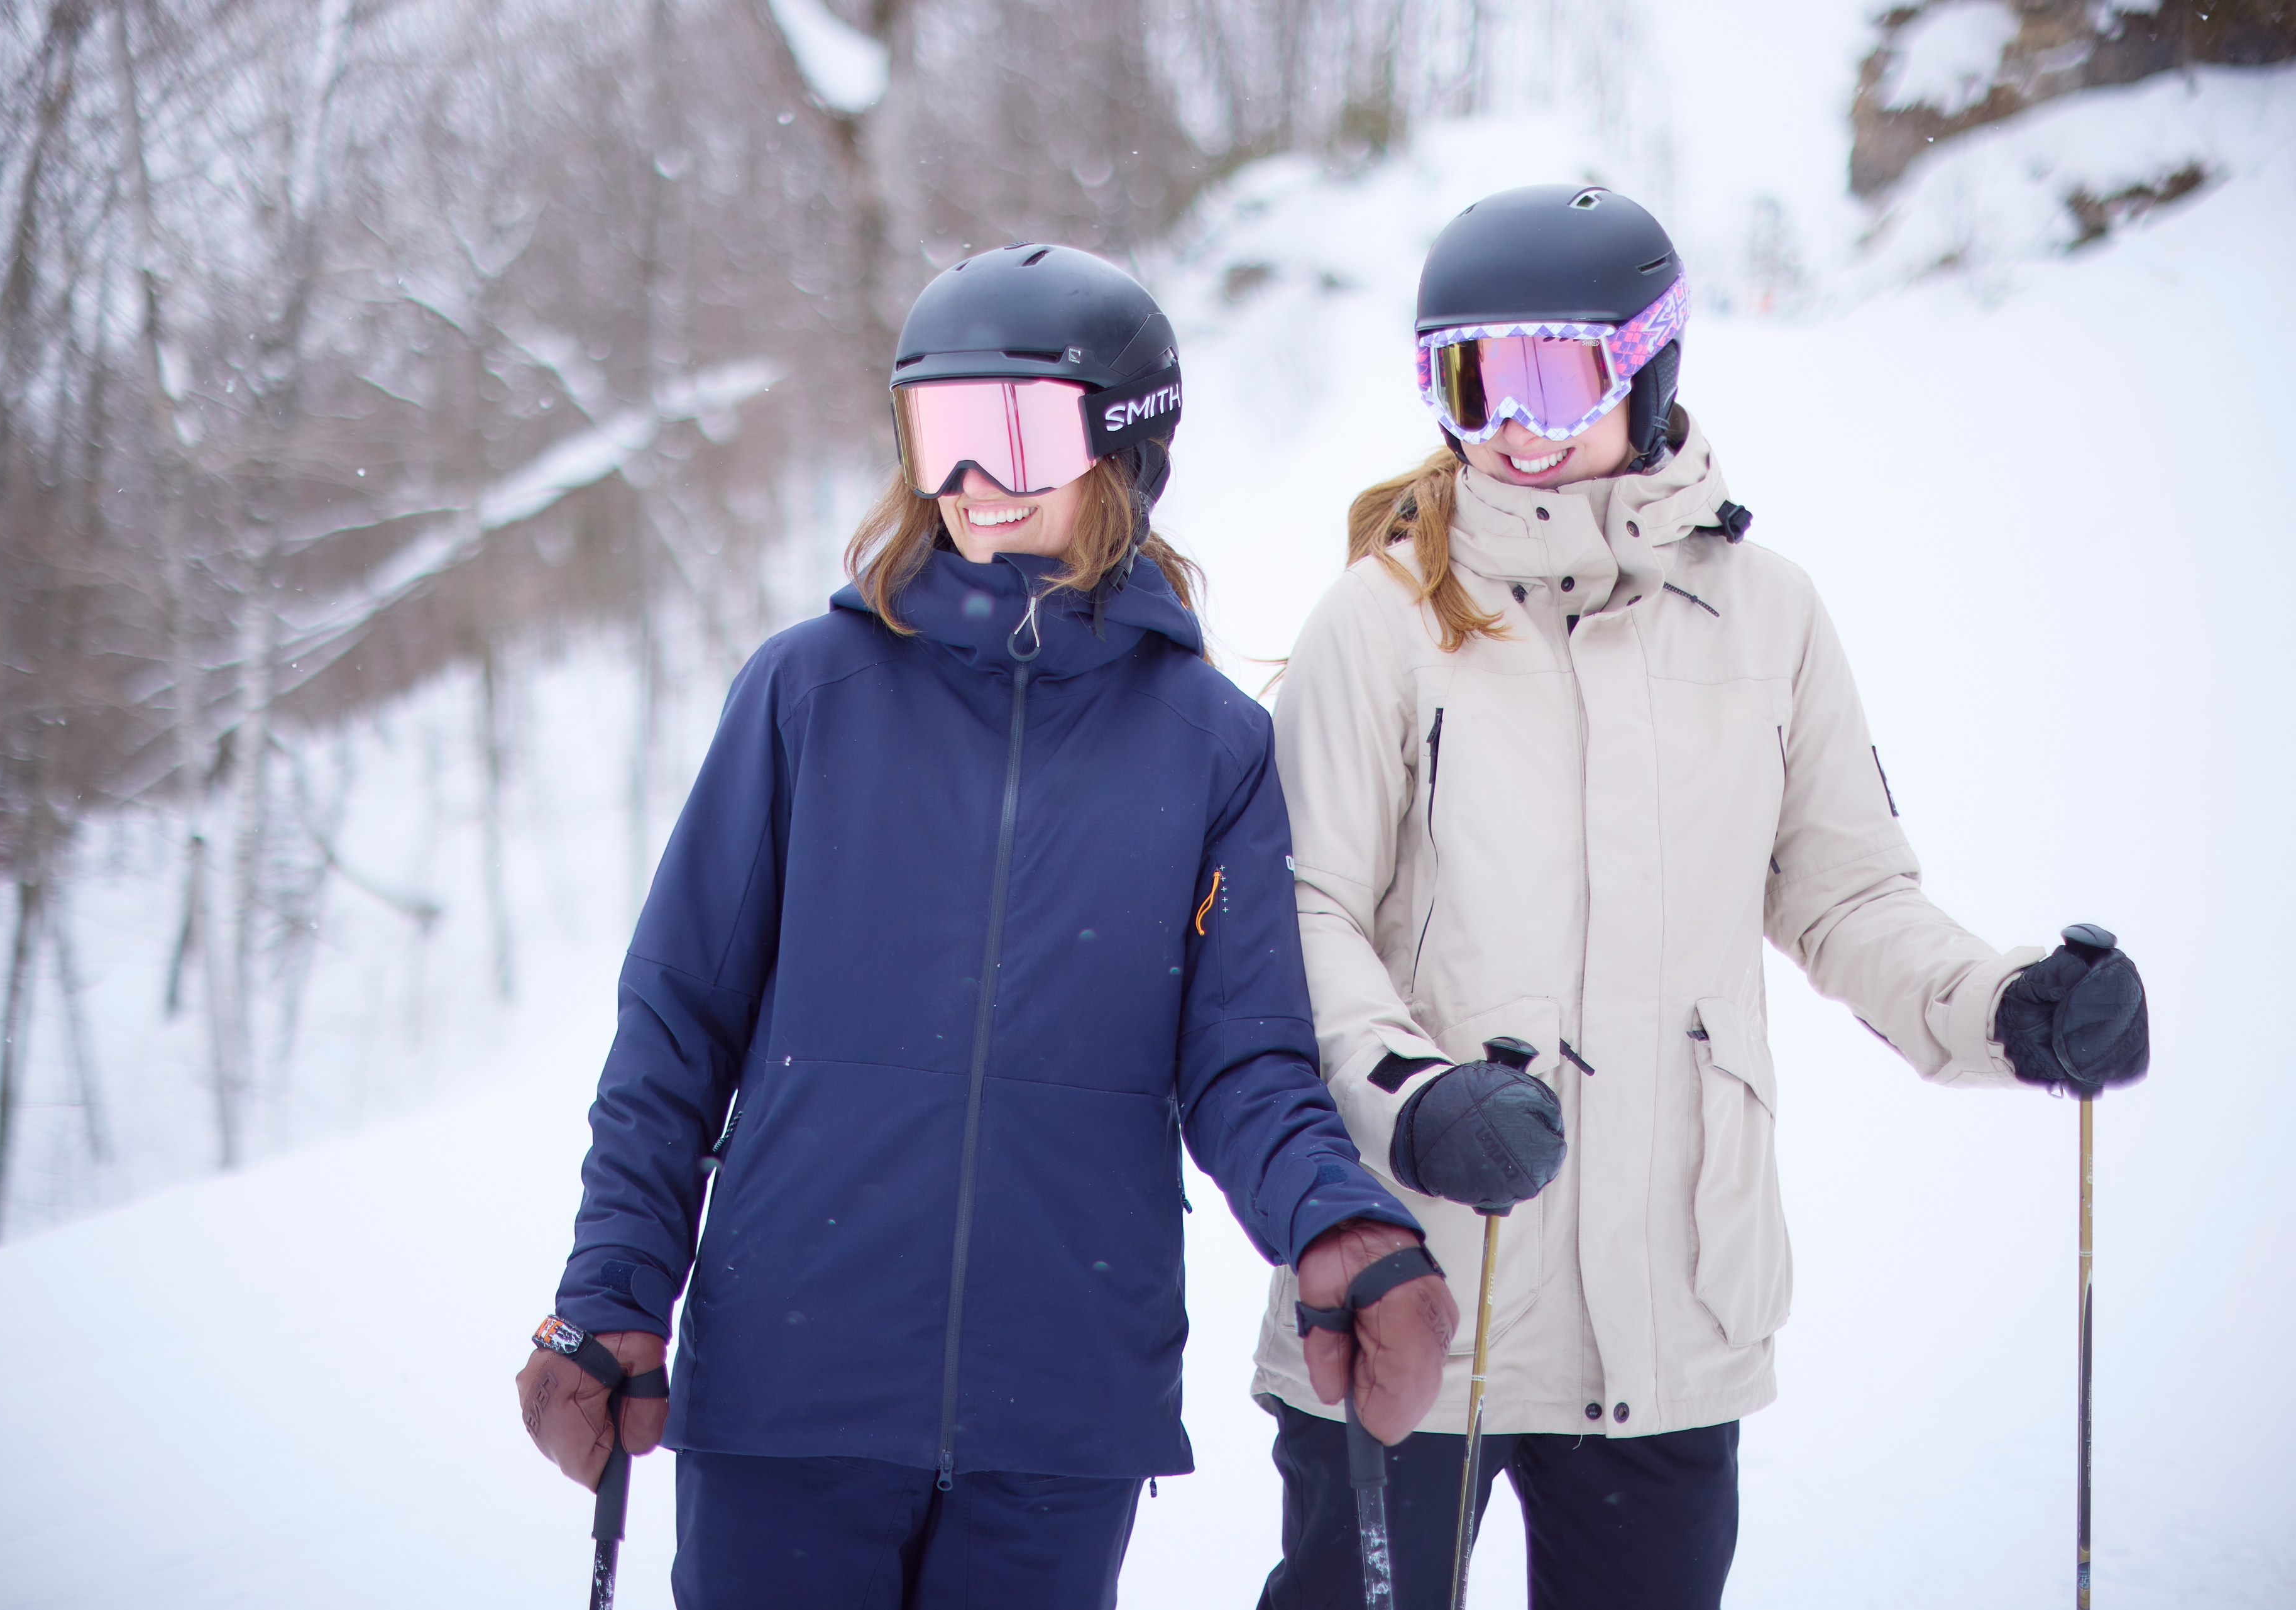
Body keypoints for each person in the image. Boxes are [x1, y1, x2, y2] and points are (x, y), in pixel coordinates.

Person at [513, 244, 1461, 1610]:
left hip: (1058, 1411)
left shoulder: (1210, 746)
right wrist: (613, 1288)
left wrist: (1342, 1228)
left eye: (1014, 429)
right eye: (938, 430)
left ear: (1125, 446)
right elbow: (678, 1026)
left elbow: (1245, 1062)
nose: (971, 478)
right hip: (795, 1393)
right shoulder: (807, 697)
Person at [1248, 185, 2151, 1609]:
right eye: (1468, 381)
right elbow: (1299, 917)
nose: (1513, 426)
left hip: (1669, 1313)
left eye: (1552, 371)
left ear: (1650, 365)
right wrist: (1412, 1092)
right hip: (1422, 1284)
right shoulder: (1381, 618)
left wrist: (2008, 1007)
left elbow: (1847, 892)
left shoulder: (1767, 613)